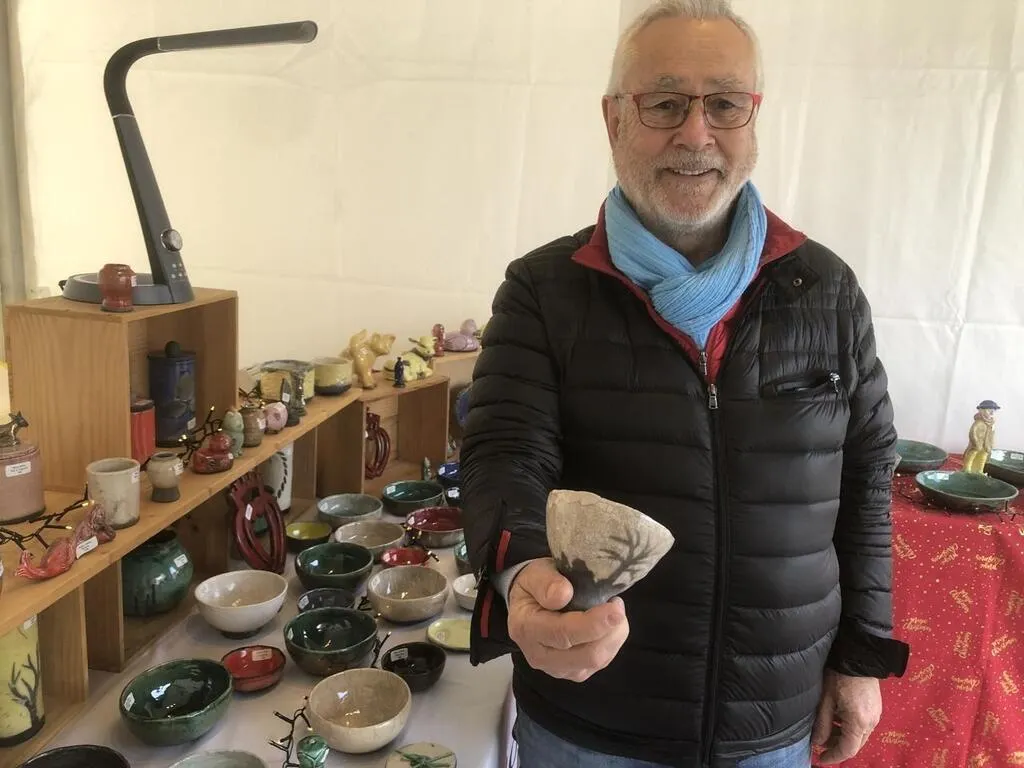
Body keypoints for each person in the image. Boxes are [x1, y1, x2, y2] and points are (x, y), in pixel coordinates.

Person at [459, 1, 911, 766]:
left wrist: (861, 656)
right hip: (590, 723)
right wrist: (522, 575)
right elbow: (505, 457)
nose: (696, 134)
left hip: (774, 726)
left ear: (753, 118)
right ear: (613, 120)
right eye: (664, 103)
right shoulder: (544, 290)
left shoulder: (826, 290)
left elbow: (866, 478)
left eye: (725, 104)